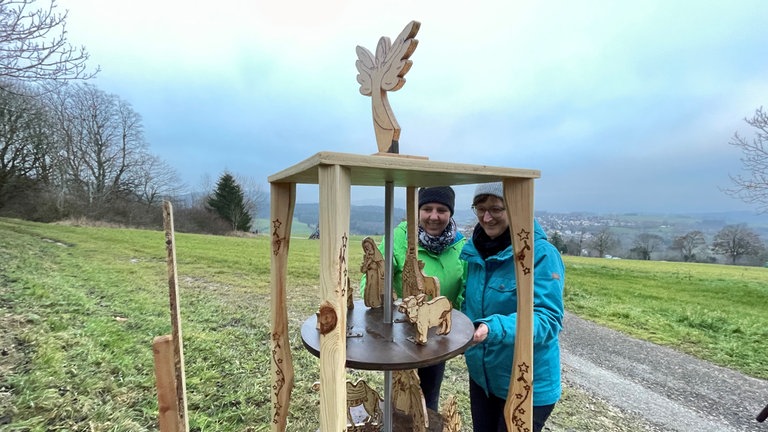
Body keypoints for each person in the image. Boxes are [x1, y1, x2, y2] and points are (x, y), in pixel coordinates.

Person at [460, 182, 565, 432]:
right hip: (484, 379)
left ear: (516, 209)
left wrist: (492, 327)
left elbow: (548, 320)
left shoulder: (539, 254)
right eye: (480, 208)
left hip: (527, 381)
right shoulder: (474, 252)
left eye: (497, 208)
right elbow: (470, 304)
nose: (487, 217)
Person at [360, 185, 466, 412]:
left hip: (436, 337)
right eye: (427, 209)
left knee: (429, 396)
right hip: (400, 335)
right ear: (417, 211)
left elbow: (464, 290)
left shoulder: (460, 247)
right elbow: (375, 278)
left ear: (451, 213)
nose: (434, 216)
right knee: (400, 393)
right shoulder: (400, 238)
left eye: (441, 210)